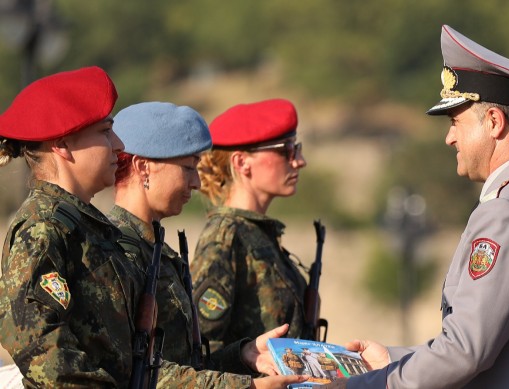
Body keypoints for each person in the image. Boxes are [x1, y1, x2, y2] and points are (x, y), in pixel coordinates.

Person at [326, 25, 509, 388]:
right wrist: (393, 359)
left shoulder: (508, 211)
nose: (449, 136)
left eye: (456, 121)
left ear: (493, 122)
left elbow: (466, 351)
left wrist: (362, 385)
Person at [0, 67, 306, 388]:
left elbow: (146, 369)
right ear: (62, 146)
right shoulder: (43, 228)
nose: (118, 145)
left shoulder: (90, 231)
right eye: (105, 132)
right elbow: (40, 351)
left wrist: (239, 358)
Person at [108, 101, 306, 388]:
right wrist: (246, 387)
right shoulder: (114, 252)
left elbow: (189, 364)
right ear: (143, 167)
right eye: (188, 168)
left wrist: (242, 355)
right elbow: (128, 373)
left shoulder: (154, 250)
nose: (197, 182)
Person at [190, 98, 310, 352]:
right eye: (286, 150)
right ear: (242, 163)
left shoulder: (258, 233)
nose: (299, 161)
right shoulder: (225, 237)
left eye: (296, 148)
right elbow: (202, 348)